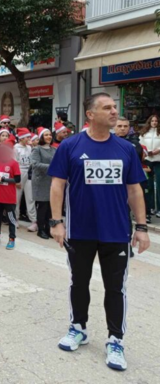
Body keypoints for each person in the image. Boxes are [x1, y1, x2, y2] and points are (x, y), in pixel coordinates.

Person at [49, 93, 149, 371]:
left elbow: (134, 190)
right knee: (78, 283)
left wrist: (141, 228)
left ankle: (115, 340)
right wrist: (56, 222)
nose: (114, 112)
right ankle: (78, 327)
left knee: (115, 288)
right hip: (80, 231)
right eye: (107, 108)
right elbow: (57, 185)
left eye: (115, 107)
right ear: (90, 115)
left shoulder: (126, 149)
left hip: (116, 231)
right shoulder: (70, 146)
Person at [30, 127, 55, 239]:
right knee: (43, 207)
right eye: (46, 135)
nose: (49, 136)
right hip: (41, 181)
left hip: (52, 181)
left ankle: (48, 229)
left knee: (50, 207)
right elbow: (35, 164)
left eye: (50, 134)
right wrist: (52, 167)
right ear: (41, 137)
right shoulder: (37, 149)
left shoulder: (54, 149)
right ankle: (40, 230)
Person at [14, 128, 38, 232]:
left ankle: (34, 221)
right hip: (19, 172)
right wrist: (16, 179)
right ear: (22, 138)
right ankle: (15, 219)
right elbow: (14, 163)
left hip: (28, 173)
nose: (29, 139)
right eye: (27, 137)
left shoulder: (29, 147)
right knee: (16, 198)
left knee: (30, 197)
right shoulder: (15, 148)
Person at [139, 114, 160, 218]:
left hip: (158, 160)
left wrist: (157, 151)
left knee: (159, 185)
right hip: (148, 160)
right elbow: (141, 145)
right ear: (149, 122)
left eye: (156, 121)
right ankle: (150, 207)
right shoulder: (144, 133)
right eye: (152, 121)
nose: (154, 123)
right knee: (149, 185)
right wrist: (146, 152)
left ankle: (159, 209)